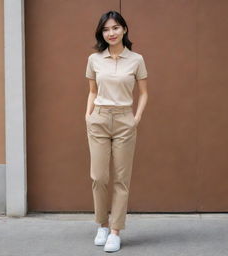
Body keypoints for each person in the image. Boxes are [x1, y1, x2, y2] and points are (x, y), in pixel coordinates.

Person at [85, 10, 148, 252]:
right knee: (98, 177)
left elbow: (144, 93)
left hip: (124, 121)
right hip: (99, 119)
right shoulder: (94, 60)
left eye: (115, 28)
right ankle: (101, 224)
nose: (111, 33)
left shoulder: (137, 60)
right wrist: (88, 116)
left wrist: (136, 118)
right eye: (106, 29)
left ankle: (115, 230)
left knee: (122, 179)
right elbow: (92, 91)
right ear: (102, 33)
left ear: (124, 29)